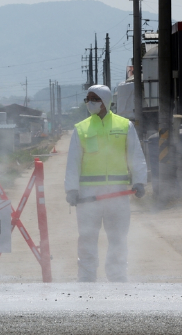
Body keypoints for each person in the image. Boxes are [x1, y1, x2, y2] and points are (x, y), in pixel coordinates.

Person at [64, 84, 147, 282]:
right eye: (88, 99)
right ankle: (86, 279)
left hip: (117, 195)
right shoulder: (81, 129)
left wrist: (139, 181)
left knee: (118, 239)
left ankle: (117, 278)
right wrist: (72, 189)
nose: (89, 103)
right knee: (87, 239)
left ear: (105, 101)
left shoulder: (124, 126)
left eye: (94, 99)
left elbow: (135, 156)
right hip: (88, 197)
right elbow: (73, 161)